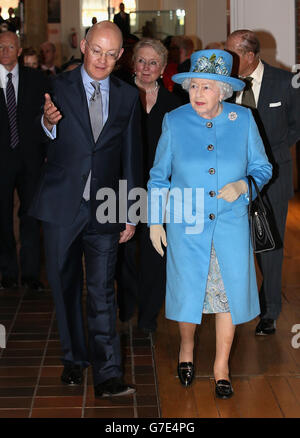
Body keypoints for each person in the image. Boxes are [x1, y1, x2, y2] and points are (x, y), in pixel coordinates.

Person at [147, 49, 272, 398]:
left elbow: (263, 168)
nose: (197, 94)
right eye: (193, 86)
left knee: (227, 297)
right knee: (190, 294)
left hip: (230, 228)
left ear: (223, 90)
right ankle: (186, 349)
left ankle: (221, 367)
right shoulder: (174, 120)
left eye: (206, 87)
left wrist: (243, 186)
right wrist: (155, 220)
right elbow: (158, 177)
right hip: (187, 226)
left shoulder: (244, 119)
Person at [28, 21, 142, 398]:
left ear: (121, 56)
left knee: (102, 290)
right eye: (97, 51)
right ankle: (74, 360)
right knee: (64, 285)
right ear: (82, 44)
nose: (102, 60)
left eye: (111, 54)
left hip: (107, 206)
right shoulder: (57, 86)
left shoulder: (128, 96)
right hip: (62, 201)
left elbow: (131, 156)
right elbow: (36, 139)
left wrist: (131, 210)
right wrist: (47, 123)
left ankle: (109, 373)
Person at [225, 30, 300, 336]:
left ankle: (270, 311)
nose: (226, 59)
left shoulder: (285, 83)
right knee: (238, 241)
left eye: (232, 53)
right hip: (233, 178)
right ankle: (241, 302)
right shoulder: (226, 85)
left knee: (270, 242)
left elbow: (297, 125)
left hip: (274, 177)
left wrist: (273, 153)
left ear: (250, 56)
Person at [116, 38, 181, 334]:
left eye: (153, 62)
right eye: (141, 61)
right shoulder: (117, 94)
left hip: (161, 191)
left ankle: (148, 315)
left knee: (156, 251)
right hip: (119, 187)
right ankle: (126, 304)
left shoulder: (174, 104)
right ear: (133, 63)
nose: (146, 68)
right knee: (124, 250)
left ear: (163, 68)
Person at [0, 31, 49, 291]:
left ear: (19, 50)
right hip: (1, 161)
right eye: (1, 47)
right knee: (3, 218)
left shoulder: (36, 80)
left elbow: (45, 117)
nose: (5, 50)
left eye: (10, 46)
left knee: (30, 216)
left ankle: (30, 275)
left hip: (30, 159)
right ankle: (7, 272)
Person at [171, 36, 194, 104]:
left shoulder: (184, 73)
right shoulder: (192, 68)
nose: (169, 52)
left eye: (172, 49)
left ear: (181, 51)